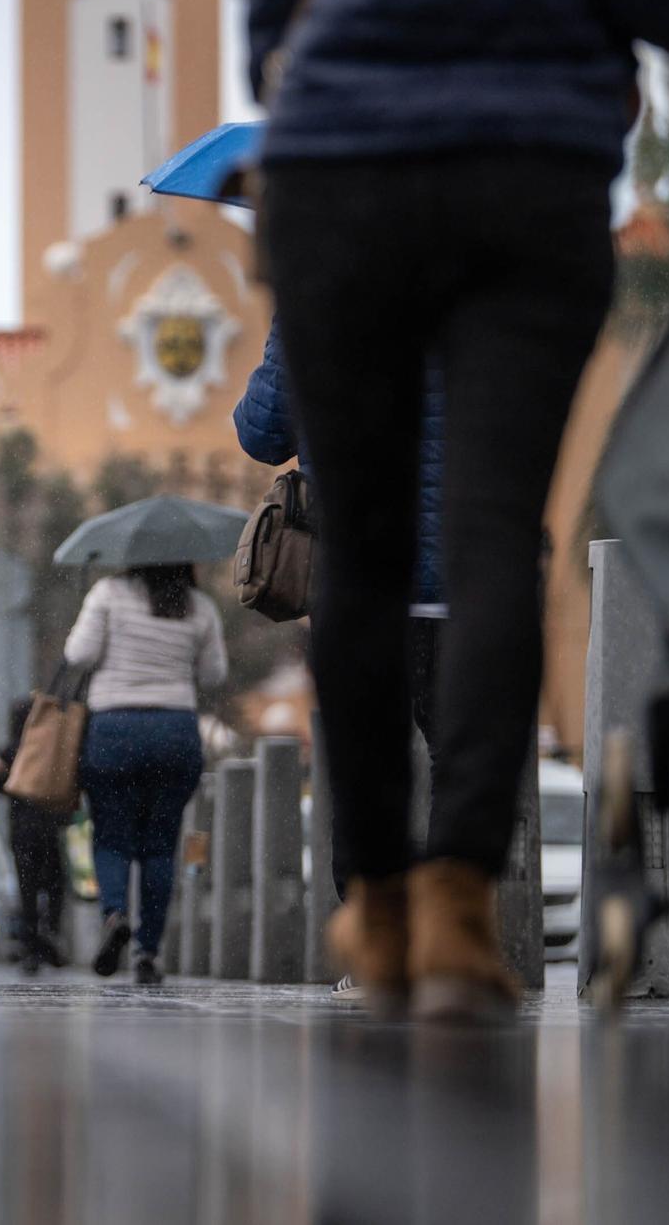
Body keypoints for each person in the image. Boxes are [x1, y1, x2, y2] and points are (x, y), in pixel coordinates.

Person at [201, 0, 669, 1019]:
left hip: (339, 155)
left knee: (357, 549)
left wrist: (289, 26)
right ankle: (456, 893)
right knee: (492, 534)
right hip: (527, 161)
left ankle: (380, 902)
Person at [237, 320, 444, 998]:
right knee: (461, 759)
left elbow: (264, 430)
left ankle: (379, 939)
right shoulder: (476, 274)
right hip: (464, 577)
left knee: (367, 761)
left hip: (361, 580)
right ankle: (447, 933)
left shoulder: (321, 283)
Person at [64, 565, 227, 985]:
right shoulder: (199, 605)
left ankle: (115, 913)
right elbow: (214, 674)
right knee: (160, 845)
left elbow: (78, 655)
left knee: (112, 836)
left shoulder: (107, 593)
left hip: (114, 729)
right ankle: (147, 952)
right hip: (175, 731)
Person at [0, 696, 68, 977]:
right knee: (55, 883)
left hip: (22, 828)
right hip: (49, 826)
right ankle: (49, 935)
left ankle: (31, 944)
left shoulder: (10, 750)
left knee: (27, 888)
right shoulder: (49, 748)